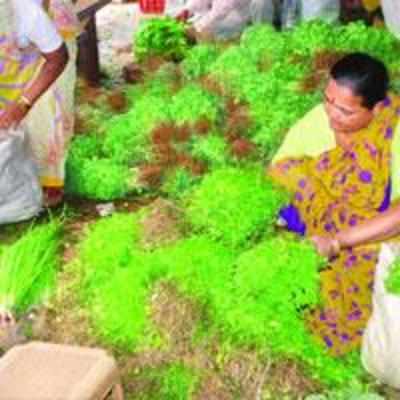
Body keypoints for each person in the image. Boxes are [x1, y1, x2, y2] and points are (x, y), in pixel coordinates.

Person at [269, 53, 400, 356]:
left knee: (374, 259)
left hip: (371, 228)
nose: (332, 114)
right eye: (328, 100)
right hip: (318, 225)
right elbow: (280, 169)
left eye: (345, 111)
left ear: (376, 108)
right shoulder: (319, 119)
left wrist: (338, 241)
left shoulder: (392, 133)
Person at [0, 0, 79, 207]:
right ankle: (17, 177)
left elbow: (58, 58)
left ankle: (48, 184)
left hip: (51, 54)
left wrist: (24, 103)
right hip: (11, 57)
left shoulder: (25, 11)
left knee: (47, 108)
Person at [176, 0, 276, 40]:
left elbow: (223, 8)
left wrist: (198, 27)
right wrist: (187, 11)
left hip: (247, 13)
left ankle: (262, 38)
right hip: (230, 12)